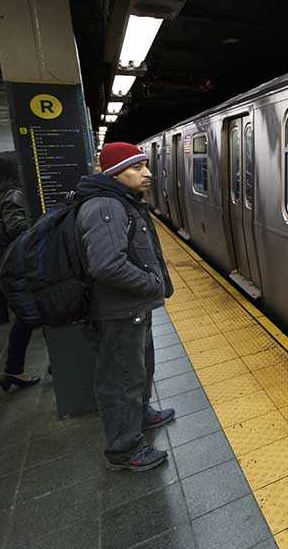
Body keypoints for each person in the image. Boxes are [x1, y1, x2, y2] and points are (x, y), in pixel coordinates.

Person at [77, 142, 175, 472]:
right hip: (117, 312)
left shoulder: (120, 201)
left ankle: (142, 414)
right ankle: (124, 449)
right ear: (115, 173)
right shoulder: (105, 206)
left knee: (139, 368)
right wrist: (152, 283)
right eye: (136, 168)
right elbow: (105, 265)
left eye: (145, 165)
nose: (146, 173)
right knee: (121, 380)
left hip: (132, 308)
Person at [0, 152, 41, 391]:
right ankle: (18, 369)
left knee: (27, 318)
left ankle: (13, 370)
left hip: (4, 265)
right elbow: (18, 227)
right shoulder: (14, 194)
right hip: (15, 266)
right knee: (37, 311)